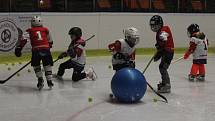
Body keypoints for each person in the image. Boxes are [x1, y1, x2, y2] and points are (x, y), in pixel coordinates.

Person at [15, 16, 54, 90]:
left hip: (36, 50)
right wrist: (49, 46)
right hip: (46, 49)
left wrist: (19, 48)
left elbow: (23, 40)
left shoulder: (29, 30)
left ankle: (40, 79)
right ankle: (49, 80)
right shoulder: (46, 29)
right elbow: (50, 41)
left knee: (36, 66)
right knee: (47, 65)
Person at [149, 15, 174, 93]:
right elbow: (160, 45)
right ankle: (164, 83)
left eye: (156, 26)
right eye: (152, 26)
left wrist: (163, 37)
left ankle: (167, 85)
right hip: (165, 52)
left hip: (168, 52)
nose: (154, 28)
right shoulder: (159, 32)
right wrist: (158, 52)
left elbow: (164, 34)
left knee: (163, 68)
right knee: (162, 67)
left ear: (160, 24)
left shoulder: (164, 29)